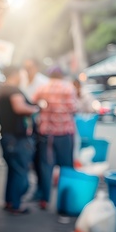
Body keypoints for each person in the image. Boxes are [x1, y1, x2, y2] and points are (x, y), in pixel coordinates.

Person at [33, 66, 78, 210]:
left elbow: (33, 103)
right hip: (64, 133)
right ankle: (66, 201)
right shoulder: (68, 88)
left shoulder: (42, 87)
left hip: (46, 134)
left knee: (46, 167)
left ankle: (44, 200)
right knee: (66, 168)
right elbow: (74, 108)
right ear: (62, 75)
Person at [0, 66, 40, 214]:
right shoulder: (12, 90)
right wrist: (36, 108)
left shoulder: (3, 89)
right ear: (15, 74)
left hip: (8, 136)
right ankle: (16, 205)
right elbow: (19, 108)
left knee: (13, 171)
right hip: (16, 139)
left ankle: (10, 201)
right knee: (20, 172)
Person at [20, 57, 49, 202]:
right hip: (25, 126)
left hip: (40, 126)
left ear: (36, 67)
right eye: (26, 68)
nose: (27, 70)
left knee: (41, 161)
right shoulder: (22, 80)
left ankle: (42, 191)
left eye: (30, 67)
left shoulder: (43, 82)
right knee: (28, 160)